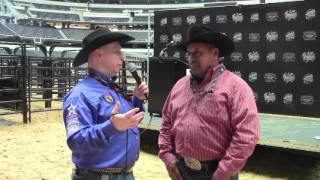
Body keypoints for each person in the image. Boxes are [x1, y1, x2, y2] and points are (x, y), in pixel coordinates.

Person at [158, 25, 260, 180]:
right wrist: (168, 157)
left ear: (215, 53)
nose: (192, 57)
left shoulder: (236, 87)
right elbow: (166, 123)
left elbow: (246, 135)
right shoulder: (179, 85)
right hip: (182, 170)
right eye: (189, 53)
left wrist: (223, 172)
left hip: (218, 172)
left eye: (198, 53)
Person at [63, 28, 149, 180]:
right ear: (99, 54)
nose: (122, 57)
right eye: (117, 51)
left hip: (125, 174)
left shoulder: (113, 89)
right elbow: (76, 141)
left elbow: (129, 123)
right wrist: (112, 126)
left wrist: (137, 99)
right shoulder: (80, 94)